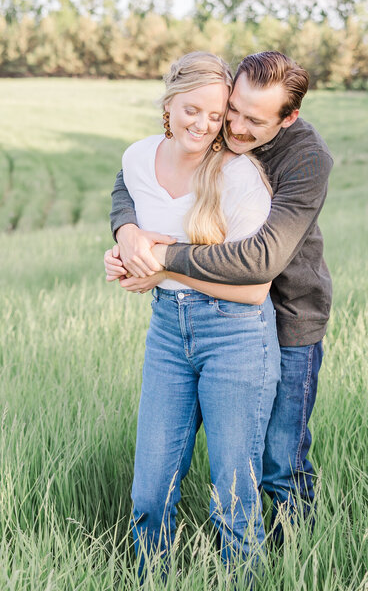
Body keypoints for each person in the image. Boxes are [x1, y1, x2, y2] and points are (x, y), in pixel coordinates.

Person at [107, 50, 334, 545]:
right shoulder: (211, 131)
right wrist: (127, 232)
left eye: (253, 120)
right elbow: (133, 180)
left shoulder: (305, 158)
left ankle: (297, 560)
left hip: (289, 316)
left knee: (276, 465)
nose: (231, 127)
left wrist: (163, 259)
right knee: (190, 476)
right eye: (232, 110)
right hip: (190, 319)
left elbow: (261, 263)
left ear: (287, 118)